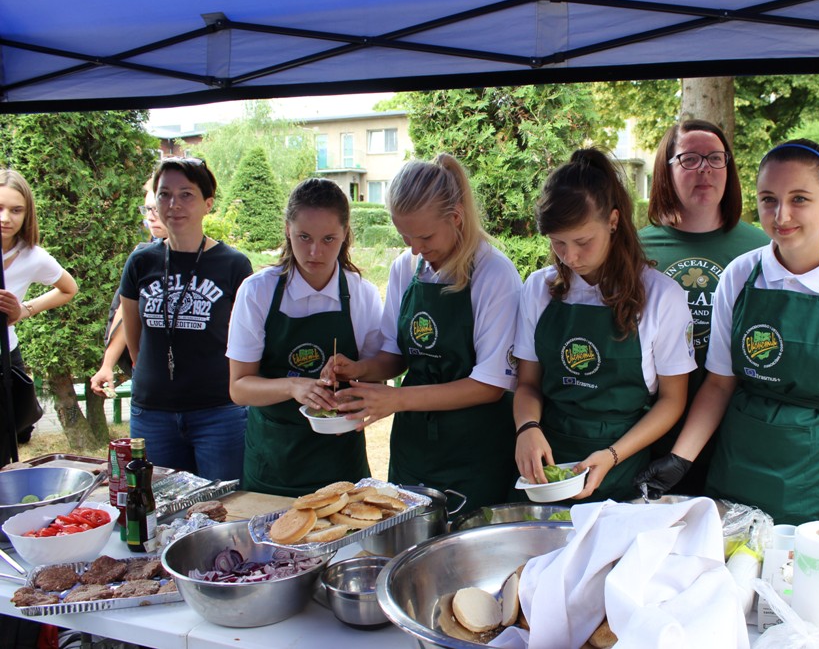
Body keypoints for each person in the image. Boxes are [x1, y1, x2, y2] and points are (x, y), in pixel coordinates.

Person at [636, 139, 819, 544]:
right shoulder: (739, 275)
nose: (781, 215)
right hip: (738, 469)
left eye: (799, 199)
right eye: (768, 200)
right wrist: (680, 459)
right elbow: (718, 384)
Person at [325, 154, 521, 512]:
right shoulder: (406, 267)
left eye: (425, 236)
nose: (415, 248)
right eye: (405, 236)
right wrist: (359, 370)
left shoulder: (494, 275)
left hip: (475, 449)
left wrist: (396, 400)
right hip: (413, 446)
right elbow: (395, 354)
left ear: (457, 218)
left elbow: (490, 386)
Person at [513, 149, 695, 503]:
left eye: (583, 242)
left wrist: (612, 455)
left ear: (613, 221)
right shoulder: (538, 288)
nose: (570, 256)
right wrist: (527, 428)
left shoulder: (662, 296)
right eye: (558, 243)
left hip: (621, 464)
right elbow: (527, 384)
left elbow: (673, 401)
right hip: (544, 464)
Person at [226, 178, 383, 497]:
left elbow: (378, 379)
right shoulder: (258, 291)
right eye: (304, 237)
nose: (315, 252)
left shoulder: (360, 294)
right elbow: (239, 388)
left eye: (329, 239)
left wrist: (353, 380)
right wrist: (293, 386)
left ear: (345, 234)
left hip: (341, 464)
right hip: (273, 463)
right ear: (287, 230)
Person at [640, 120, 768, 495]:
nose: (705, 170)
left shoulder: (759, 249)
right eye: (690, 159)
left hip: (735, 430)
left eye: (715, 159)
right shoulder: (636, 248)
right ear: (666, 169)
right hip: (654, 428)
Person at [119, 158, 252, 479]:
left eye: (186, 194)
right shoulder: (140, 262)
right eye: (164, 195)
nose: (173, 204)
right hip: (153, 414)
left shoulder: (233, 264)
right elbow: (133, 337)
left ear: (208, 203)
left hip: (218, 412)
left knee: (225, 508)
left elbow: (246, 340)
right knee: (162, 509)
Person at [0, 170, 79, 444]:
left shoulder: (32, 256)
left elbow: (69, 288)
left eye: (15, 210)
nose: (5, 218)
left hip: (5, 359)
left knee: (9, 442)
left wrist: (24, 310)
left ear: (27, 214)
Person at [90, 191, 168, 397]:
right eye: (147, 209)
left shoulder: (214, 260)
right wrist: (107, 365)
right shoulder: (141, 258)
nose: (150, 216)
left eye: (156, 209)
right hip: (150, 376)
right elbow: (125, 313)